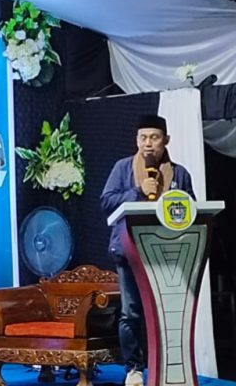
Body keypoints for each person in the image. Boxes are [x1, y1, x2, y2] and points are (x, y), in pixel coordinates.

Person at [100, 114, 195, 386]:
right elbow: (106, 202)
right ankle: (133, 369)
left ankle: (166, 366)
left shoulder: (179, 174)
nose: (148, 144)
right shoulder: (123, 168)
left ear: (166, 140)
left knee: (166, 314)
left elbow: (192, 209)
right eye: (143, 138)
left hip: (168, 253)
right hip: (129, 250)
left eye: (154, 138)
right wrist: (137, 191)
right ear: (136, 140)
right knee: (131, 312)